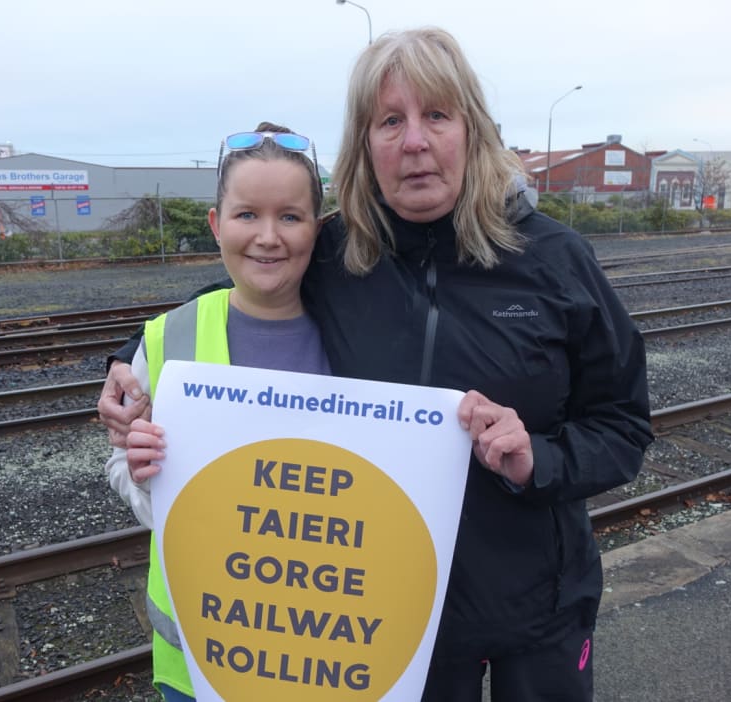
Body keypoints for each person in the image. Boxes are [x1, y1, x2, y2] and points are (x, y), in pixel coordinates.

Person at [101, 28, 653, 701]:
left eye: (437, 115)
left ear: (471, 130)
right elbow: (246, 284)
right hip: (389, 618)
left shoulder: (555, 261)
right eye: (390, 120)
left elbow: (624, 424)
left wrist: (539, 458)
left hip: (537, 609)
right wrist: (131, 357)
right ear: (366, 144)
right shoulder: (339, 252)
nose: (414, 141)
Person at [105, 121, 330, 702]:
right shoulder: (164, 338)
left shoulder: (357, 339)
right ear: (216, 224)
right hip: (198, 662)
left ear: (318, 227)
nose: (267, 237)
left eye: (290, 216)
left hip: (327, 655)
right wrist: (141, 471)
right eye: (247, 214)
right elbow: (124, 471)